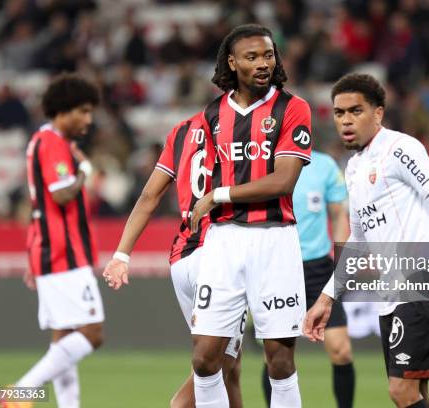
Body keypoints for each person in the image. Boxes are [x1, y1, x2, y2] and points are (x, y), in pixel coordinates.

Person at [304, 73, 429, 408]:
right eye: (339, 113)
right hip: (393, 290)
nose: (346, 120)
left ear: (378, 113)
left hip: (423, 280)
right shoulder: (353, 168)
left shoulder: (401, 149)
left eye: (356, 111)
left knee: (401, 391)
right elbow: (358, 239)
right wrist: (326, 300)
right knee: (414, 393)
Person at [187, 24, 312, 408]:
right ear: (232, 61)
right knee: (205, 359)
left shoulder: (293, 108)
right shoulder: (211, 114)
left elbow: (284, 180)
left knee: (279, 360)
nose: (263, 63)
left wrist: (217, 196)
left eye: (269, 55)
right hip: (224, 241)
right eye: (252, 56)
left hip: (275, 240)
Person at [102, 111, 245, 408]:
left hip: (182, 258)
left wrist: (121, 254)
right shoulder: (249, 124)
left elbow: (148, 196)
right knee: (215, 362)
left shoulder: (181, 131)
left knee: (230, 364)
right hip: (220, 254)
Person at [6, 73, 103, 408]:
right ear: (64, 111)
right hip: (64, 253)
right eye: (84, 111)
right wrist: (85, 172)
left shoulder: (42, 142)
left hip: (49, 251)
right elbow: (61, 194)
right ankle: (21, 391)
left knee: (63, 336)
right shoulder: (53, 143)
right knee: (91, 333)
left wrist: (33, 260)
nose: (88, 120)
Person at [261, 150, 355, 407]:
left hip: (318, 269)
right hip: (277, 267)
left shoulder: (325, 165)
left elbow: (339, 216)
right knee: (276, 357)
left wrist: (342, 263)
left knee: (341, 350)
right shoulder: (265, 160)